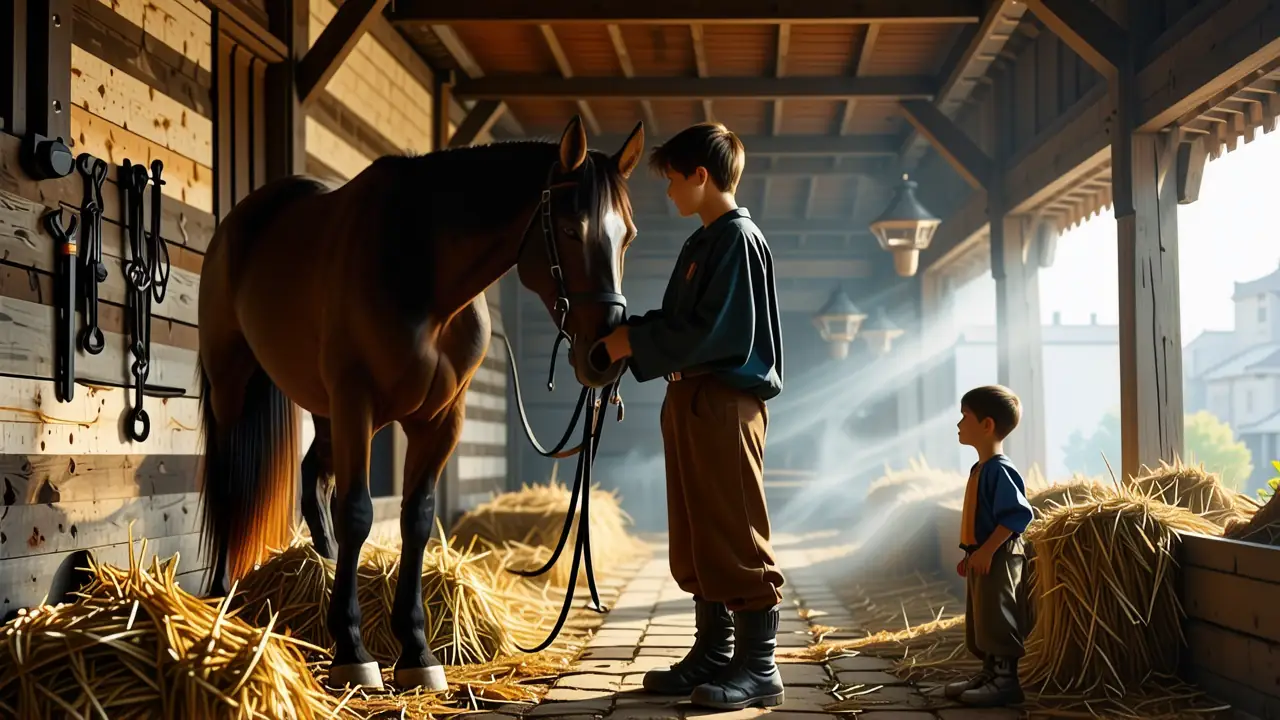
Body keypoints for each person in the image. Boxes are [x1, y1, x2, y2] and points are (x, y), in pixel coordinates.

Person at [597, 122, 786, 711]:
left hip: (724, 400)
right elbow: (683, 325)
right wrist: (631, 336)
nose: (669, 192)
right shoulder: (703, 240)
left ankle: (758, 667)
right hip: (690, 398)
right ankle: (712, 652)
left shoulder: (737, 239)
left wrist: (634, 342)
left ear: (701, 176)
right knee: (696, 528)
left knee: (733, 525)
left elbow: (714, 334)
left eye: (674, 180)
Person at [945, 384, 1035, 707]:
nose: (958, 424)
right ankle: (989, 672)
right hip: (982, 556)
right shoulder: (980, 469)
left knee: (999, 615)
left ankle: (1006, 680)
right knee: (981, 617)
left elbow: (1017, 516)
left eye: (964, 416)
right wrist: (970, 551)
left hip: (999, 557)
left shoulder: (1000, 470)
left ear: (987, 425)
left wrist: (986, 550)